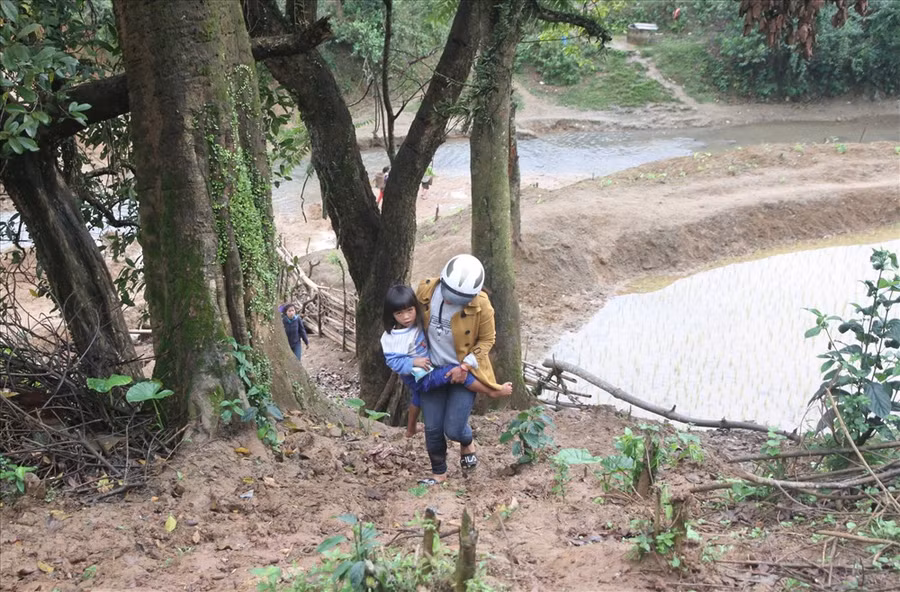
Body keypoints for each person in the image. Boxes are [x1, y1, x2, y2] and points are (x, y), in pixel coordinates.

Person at [414, 254, 505, 483]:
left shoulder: (481, 305)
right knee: (433, 428)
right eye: (449, 295)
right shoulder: (425, 291)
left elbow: (487, 339)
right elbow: (410, 323)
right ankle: (439, 474)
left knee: (453, 429)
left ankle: (466, 441)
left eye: (459, 299)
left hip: (463, 372)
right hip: (432, 371)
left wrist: (465, 365)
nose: (451, 302)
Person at [380, 285, 511, 440]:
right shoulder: (393, 338)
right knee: (458, 371)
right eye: (399, 313)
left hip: (421, 373)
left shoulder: (417, 322)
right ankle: (491, 391)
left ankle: (411, 429)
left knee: (417, 398)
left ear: (416, 307)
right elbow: (393, 362)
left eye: (410, 310)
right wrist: (413, 361)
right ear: (391, 315)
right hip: (421, 376)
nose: (406, 317)